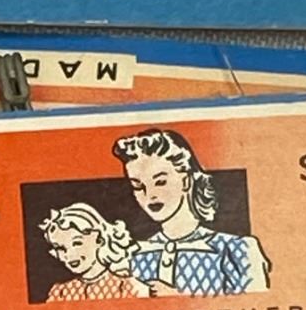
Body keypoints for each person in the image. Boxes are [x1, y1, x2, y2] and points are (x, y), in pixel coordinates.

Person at [112, 127, 270, 297]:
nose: (150, 195)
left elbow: (257, 307)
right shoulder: (133, 254)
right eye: (137, 186)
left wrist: (179, 298)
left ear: (186, 181)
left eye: (160, 182)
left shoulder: (237, 250)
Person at [39, 203, 151, 302]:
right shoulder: (60, 292)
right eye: (60, 248)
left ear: (99, 240)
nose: (69, 255)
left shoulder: (127, 286)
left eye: (77, 243)